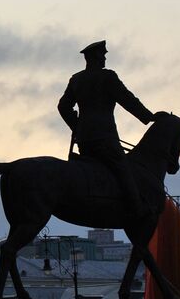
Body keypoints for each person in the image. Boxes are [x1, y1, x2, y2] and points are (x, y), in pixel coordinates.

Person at [57, 40, 160, 219]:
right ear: (96, 57)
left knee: (93, 169)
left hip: (84, 140)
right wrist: (149, 116)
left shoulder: (77, 79)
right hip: (105, 137)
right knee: (123, 167)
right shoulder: (108, 77)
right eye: (103, 55)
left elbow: (63, 107)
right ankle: (137, 208)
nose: (105, 58)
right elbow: (128, 100)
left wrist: (77, 126)